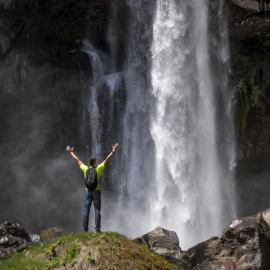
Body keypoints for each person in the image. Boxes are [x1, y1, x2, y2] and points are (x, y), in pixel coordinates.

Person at [66, 143, 119, 233]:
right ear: (95, 163)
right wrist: (113, 150)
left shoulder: (85, 169)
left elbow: (77, 160)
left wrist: (71, 152)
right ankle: (97, 229)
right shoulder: (98, 169)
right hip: (96, 191)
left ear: (88, 163)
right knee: (97, 210)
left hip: (88, 192)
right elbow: (107, 160)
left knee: (86, 211)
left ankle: (85, 230)